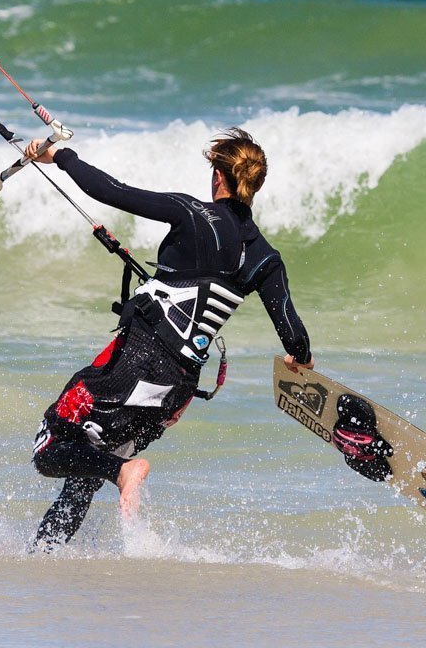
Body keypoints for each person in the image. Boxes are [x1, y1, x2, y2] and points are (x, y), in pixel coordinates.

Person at [25, 128, 314, 549]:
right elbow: (293, 332)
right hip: (175, 391)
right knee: (85, 473)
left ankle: (124, 473)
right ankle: (42, 555)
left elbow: (112, 191)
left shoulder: (192, 212)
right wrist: (300, 360)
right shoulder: (265, 257)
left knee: (49, 447)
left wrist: (59, 155)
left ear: (219, 175)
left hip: (136, 364)